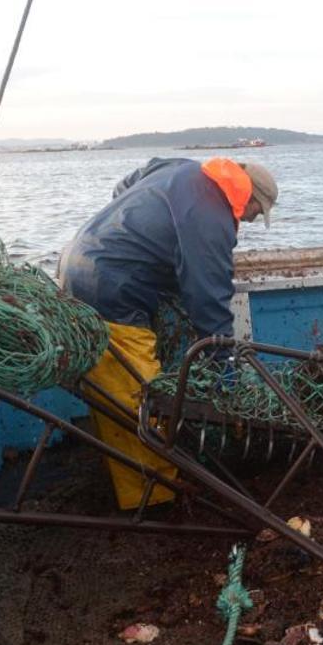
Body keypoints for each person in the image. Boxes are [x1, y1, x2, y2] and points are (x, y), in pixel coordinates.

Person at [60, 156, 278, 509]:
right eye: (254, 213)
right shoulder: (212, 219)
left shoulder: (179, 168)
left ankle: (134, 482)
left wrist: (147, 248)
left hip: (77, 261)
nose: (248, 219)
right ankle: (154, 500)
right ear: (249, 198)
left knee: (108, 383)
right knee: (137, 399)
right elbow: (209, 304)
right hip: (108, 287)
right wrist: (226, 372)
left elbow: (123, 189)